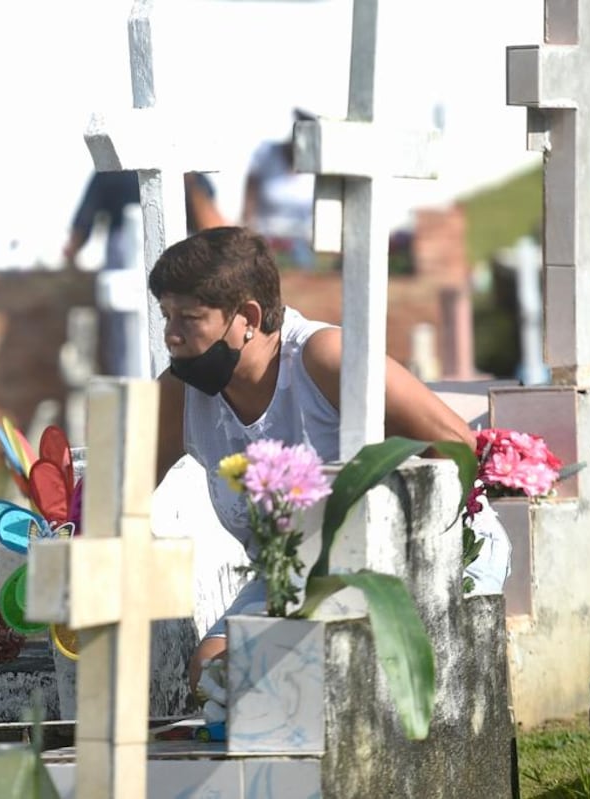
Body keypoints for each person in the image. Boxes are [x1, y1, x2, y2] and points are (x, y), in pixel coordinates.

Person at [149, 227, 475, 692]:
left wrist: (424, 557)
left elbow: (457, 446)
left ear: (247, 317)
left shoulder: (323, 358)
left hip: (399, 561)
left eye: (190, 318)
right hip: (293, 578)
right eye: (166, 316)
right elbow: (121, 490)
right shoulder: (180, 394)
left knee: (295, 671)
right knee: (215, 671)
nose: (172, 337)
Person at [63, 170, 225, 377]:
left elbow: (211, 225)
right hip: (129, 262)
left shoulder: (185, 171)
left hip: (175, 265)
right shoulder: (115, 169)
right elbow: (82, 226)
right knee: (128, 342)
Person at [242, 110, 317, 269]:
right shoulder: (266, 152)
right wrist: (248, 233)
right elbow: (250, 196)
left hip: (300, 243)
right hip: (265, 237)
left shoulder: (317, 165)